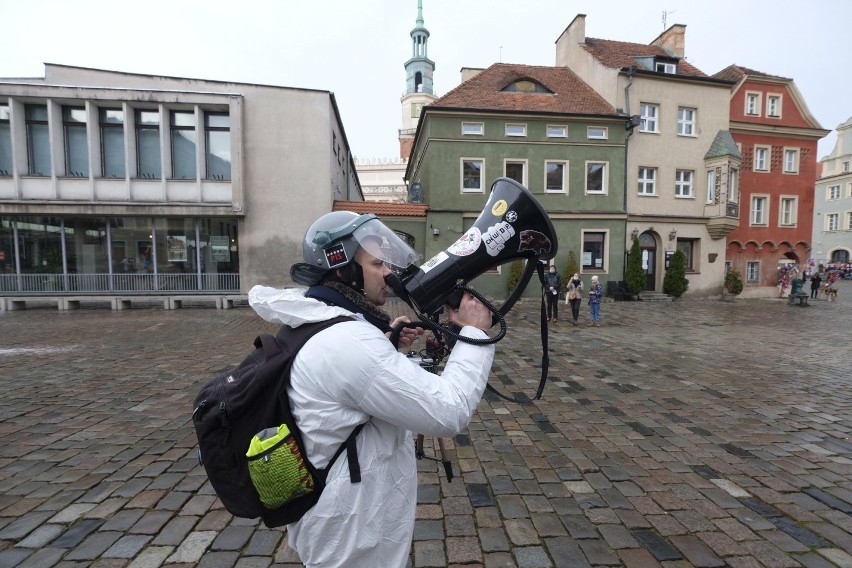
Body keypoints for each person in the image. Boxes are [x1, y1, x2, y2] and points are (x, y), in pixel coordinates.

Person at [248, 211, 495, 567]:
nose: (388, 272)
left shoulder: (317, 321)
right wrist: (473, 332)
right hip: (354, 536)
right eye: (377, 263)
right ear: (343, 269)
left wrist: (387, 346)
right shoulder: (349, 342)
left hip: (340, 515)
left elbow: (349, 384)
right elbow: (449, 410)